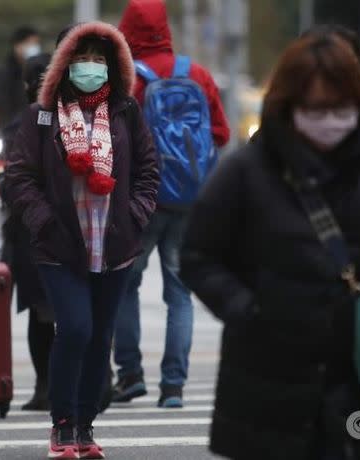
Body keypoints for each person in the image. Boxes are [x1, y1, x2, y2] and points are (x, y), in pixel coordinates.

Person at [179, 31, 360, 459]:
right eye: (315, 109)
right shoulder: (245, 172)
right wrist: (249, 312)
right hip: (267, 376)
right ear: (288, 106)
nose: (329, 120)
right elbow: (199, 255)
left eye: (340, 108)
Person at [5, 22, 159, 459]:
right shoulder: (42, 114)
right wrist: (43, 221)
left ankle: (86, 428)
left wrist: (136, 214)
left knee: (99, 338)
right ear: (63, 63)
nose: (89, 66)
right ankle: (62, 425)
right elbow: (20, 176)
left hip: (114, 244)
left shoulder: (126, 110)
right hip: (61, 245)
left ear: (111, 64)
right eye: (80, 57)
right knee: (74, 329)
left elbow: (149, 170)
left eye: (97, 57)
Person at [112, 0, 230, 408]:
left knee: (125, 284)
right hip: (190, 198)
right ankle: (174, 387)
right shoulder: (195, 73)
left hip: (142, 200)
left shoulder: (127, 79)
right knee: (179, 293)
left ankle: (129, 375)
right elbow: (221, 133)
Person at [0, 52, 54, 412]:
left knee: (40, 313)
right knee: (49, 312)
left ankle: (46, 386)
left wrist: (2, 183)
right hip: (52, 230)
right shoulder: (70, 118)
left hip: (30, 232)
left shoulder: (19, 125)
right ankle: (50, 385)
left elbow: (13, 184)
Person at [0, 26, 41, 136]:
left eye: (36, 43)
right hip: (14, 132)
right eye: (30, 43)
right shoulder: (6, 74)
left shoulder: (39, 71)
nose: (34, 47)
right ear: (17, 45)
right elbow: (3, 108)